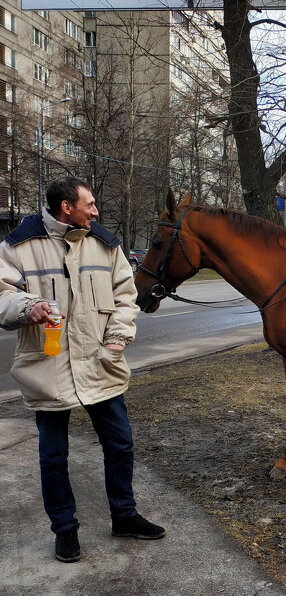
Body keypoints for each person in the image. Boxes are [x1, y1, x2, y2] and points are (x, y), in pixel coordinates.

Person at [0, 176, 165, 563]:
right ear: (65, 208)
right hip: (48, 367)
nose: (96, 211)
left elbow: (126, 297)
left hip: (99, 363)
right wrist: (27, 307)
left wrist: (118, 338)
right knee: (53, 457)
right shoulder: (17, 246)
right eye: (89, 204)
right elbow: (1, 295)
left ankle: (124, 516)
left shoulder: (105, 243)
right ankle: (65, 530)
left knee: (120, 444)